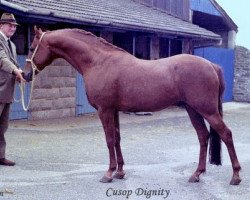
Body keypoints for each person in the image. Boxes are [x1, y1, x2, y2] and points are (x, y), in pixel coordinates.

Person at [0, 13, 26, 166]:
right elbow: (2, 59)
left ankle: (0, 156)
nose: (13, 28)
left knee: (2, 127)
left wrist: (20, 72)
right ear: (1, 25)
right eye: (10, 25)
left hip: (7, 92)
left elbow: (13, 63)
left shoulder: (13, 45)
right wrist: (15, 71)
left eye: (14, 26)